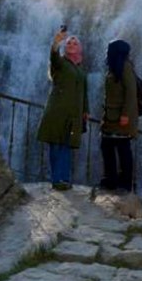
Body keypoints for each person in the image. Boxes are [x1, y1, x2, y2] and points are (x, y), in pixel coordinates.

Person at [36, 28, 88, 191]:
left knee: (66, 145)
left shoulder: (79, 69)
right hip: (57, 110)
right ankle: (57, 179)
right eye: (69, 42)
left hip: (73, 113)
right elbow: (53, 57)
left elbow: (84, 91)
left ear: (80, 48)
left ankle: (64, 178)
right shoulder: (60, 64)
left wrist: (86, 110)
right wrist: (56, 42)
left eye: (75, 42)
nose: (72, 44)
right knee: (56, 144)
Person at [101, 39, 138, 191]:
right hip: (111, 116)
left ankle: (124, 182)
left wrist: (126, 114)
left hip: (120, 117)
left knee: (122, 148)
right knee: (108, 146)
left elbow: (131, 92)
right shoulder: (115, 67)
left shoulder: (125, 67)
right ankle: (111, 179)